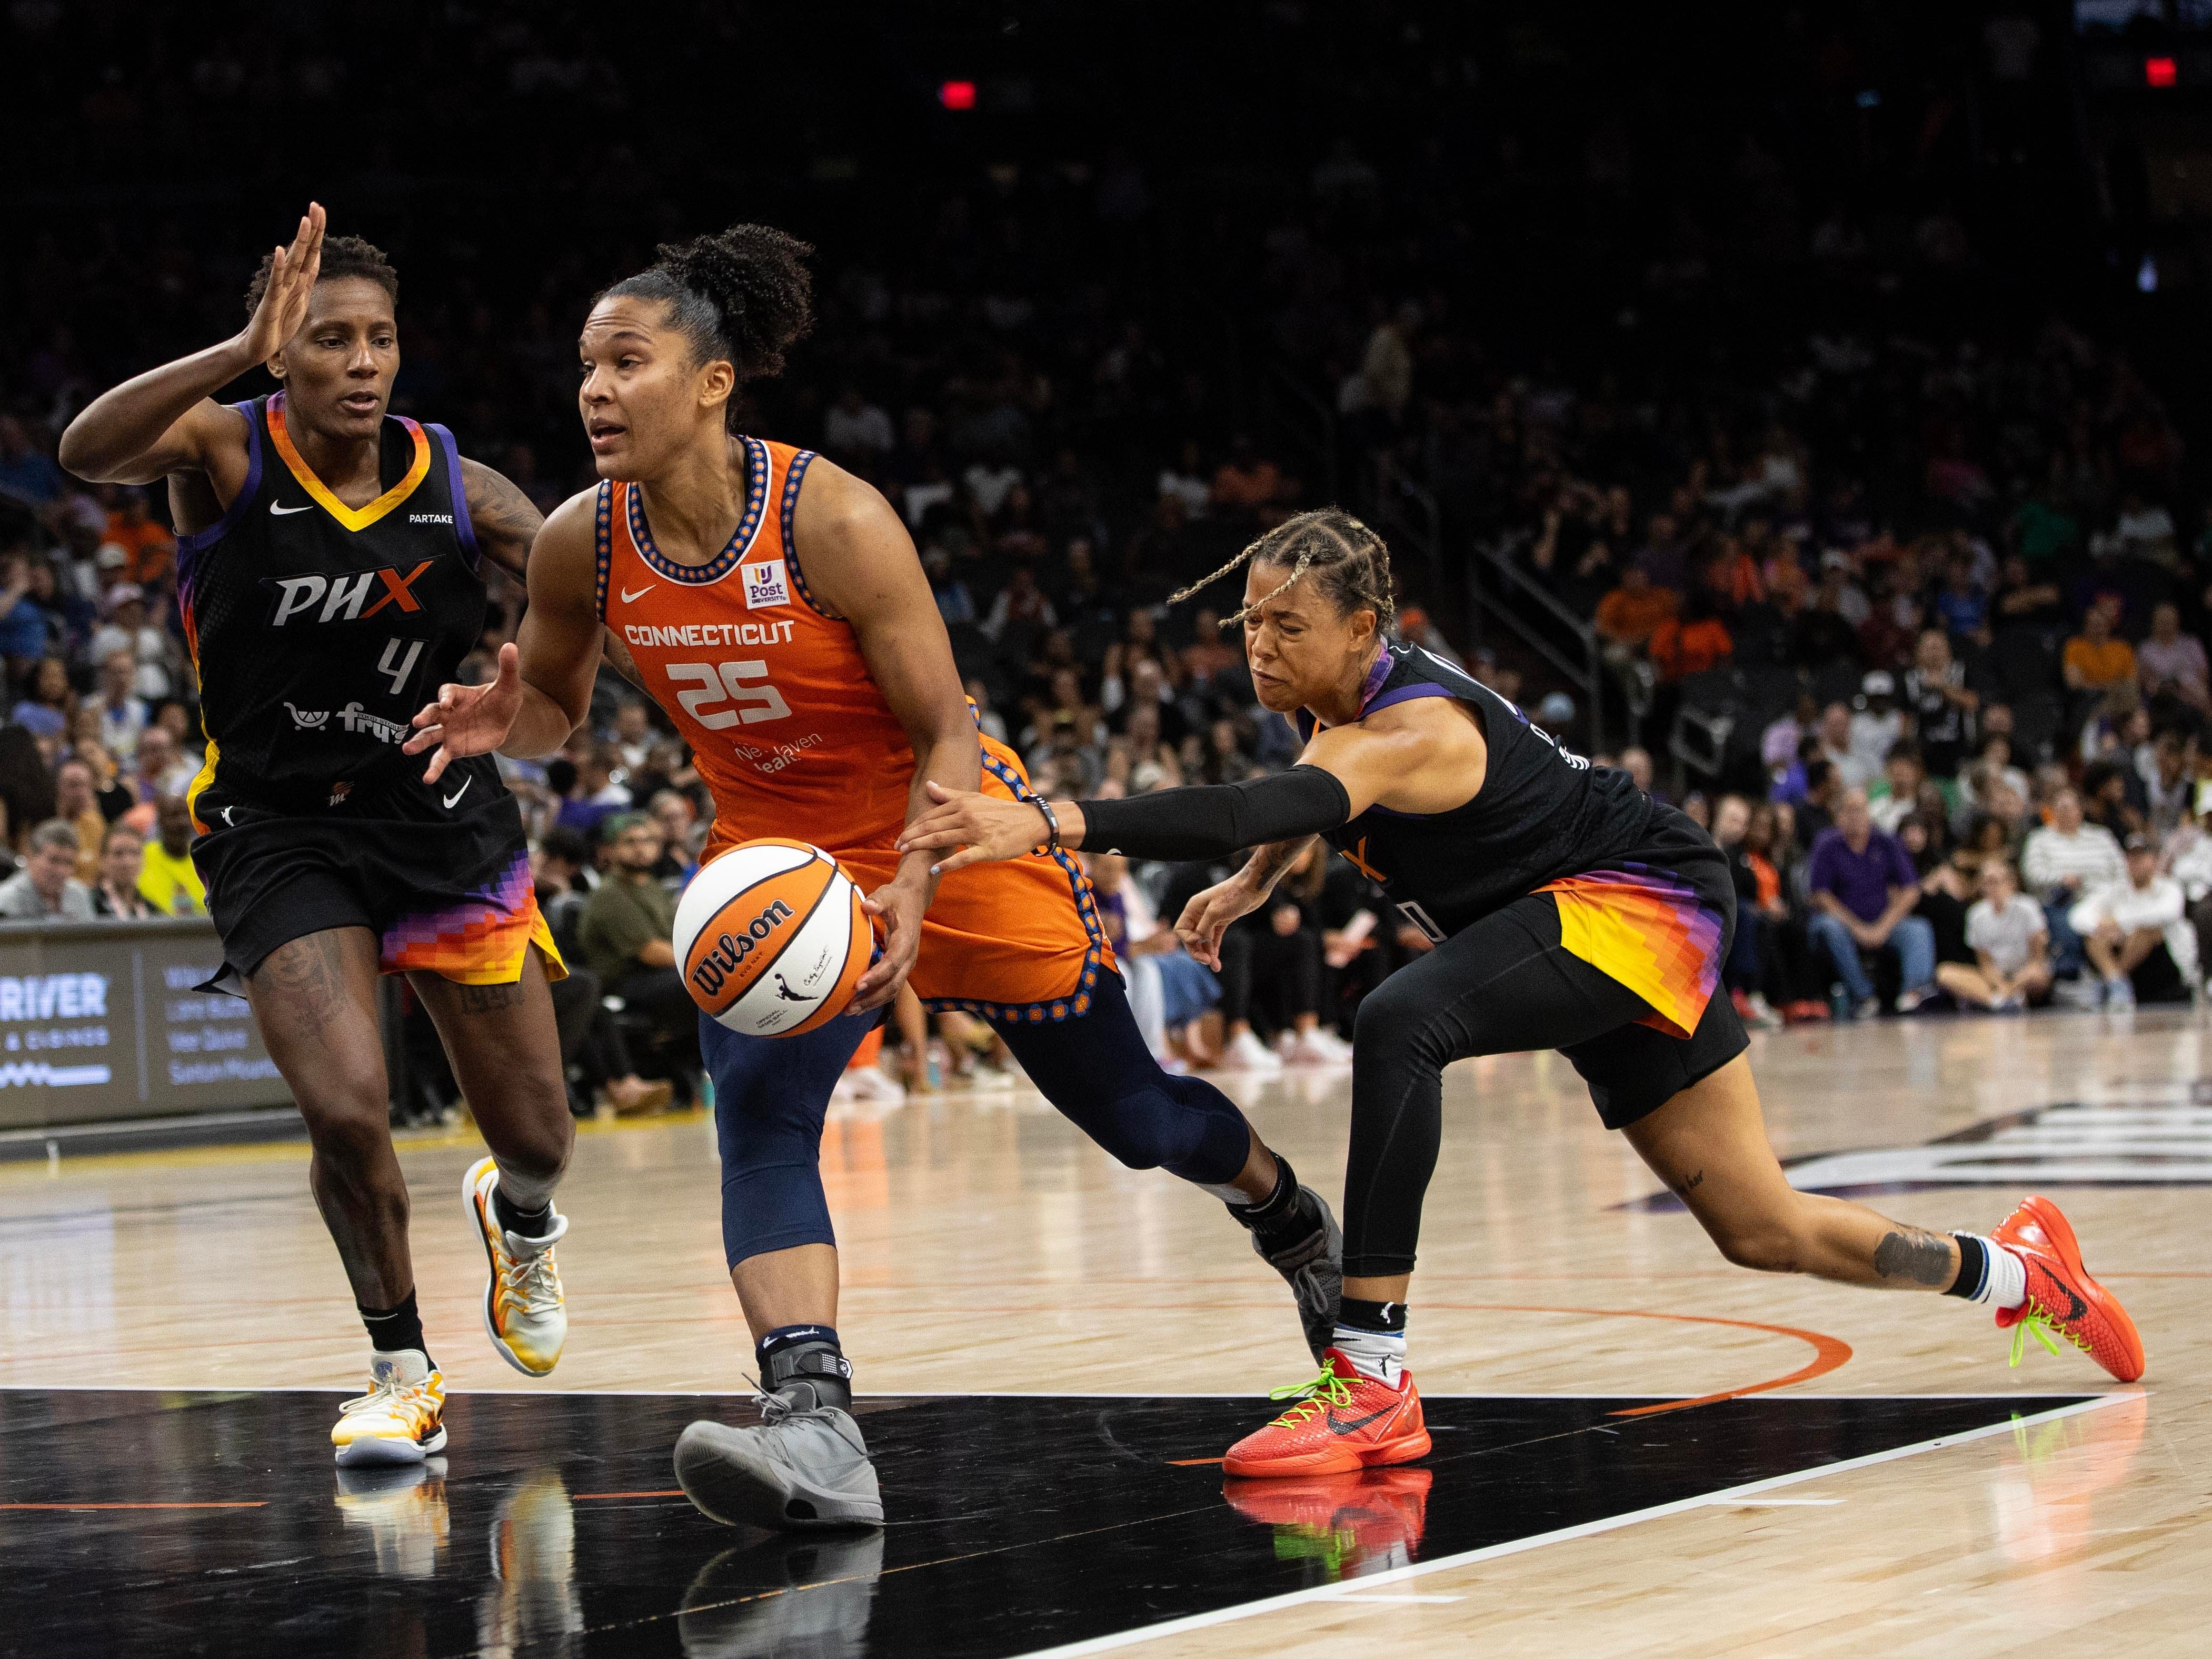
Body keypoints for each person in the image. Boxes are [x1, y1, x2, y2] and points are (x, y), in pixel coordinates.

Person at [404, 223, 1330, 1531]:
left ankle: (1285, 1211)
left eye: (628, 363)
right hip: (775, 866)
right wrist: (516, 727)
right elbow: (552, 702)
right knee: (763, 1124)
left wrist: (908, 880)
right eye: (585, 368)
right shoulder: (579, 541)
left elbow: (945, 724)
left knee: (1138, 1124)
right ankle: (816, 1426)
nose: (595, 392)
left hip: (953, 829)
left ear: (713, 381)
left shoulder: (829, 515)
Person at [902, 506, 2146, 1478]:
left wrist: (1046, 819)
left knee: (1400, 1018)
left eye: (1286, 625)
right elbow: (1295, 806)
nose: (1257, 644)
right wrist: (1249, 883)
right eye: (1246, 622)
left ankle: (1372, 1377)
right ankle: (2022, 1273)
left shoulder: (1410, 727)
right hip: (1585, 924)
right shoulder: (1337, 713)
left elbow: (1267, 798)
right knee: (1762, 1228)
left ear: (1361, 629)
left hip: (1640, 899)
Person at [58, 204, 577, 1467]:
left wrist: (540, 703)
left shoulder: (459, 480)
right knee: (347, 1111)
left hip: (442, 817)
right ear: (286, 351)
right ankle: (403, 1367)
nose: (360, 362)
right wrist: (236, 345)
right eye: (330, 338)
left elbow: (589, 570)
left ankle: (518, 1220)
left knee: (540, 1138)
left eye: (380, 340)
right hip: (278, 828)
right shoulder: (220, 453)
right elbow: (86, 451)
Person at [1806, 789, 1937, 1017]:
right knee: (1829, 927)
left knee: (1918, 929)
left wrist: (1882, 927)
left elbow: (1912, 891)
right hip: (1842, 922)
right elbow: (1821, 895)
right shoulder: (1827, 844)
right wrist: (1858, 929)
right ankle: (1863, 995)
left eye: (1862, 809)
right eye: (1851, 810)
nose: (1857, 816)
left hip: (1881, 922)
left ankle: (1913, 995)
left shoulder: (1886, 842)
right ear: (1839, 816)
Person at [2070, 834, 2199, 1009]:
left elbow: (2168, 913)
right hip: (2129, 962)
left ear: (2152, 860)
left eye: (2141, 858)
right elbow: (2077, 916)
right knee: (2095, 937)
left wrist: (2119, 924)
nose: (2135, 863)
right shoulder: (2117, 890)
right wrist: (2101, 926)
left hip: (2163, 965)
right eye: (2131, 859)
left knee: (2145, 931)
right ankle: (2117, 984)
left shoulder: (2169, 888)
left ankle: (2113, 980)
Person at [1938, 858, 2050, 1011]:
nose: (1991, 888)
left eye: (1995, 882)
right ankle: (1999, 1001)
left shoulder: (2028, 908)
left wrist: (2013, 984)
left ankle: (2001, 999)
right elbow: (1985, 962)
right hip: (1995, 978)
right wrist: (2000, 984)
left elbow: (2037, 959)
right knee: (1945, 973)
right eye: (1986, 883)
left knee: (2038, 976)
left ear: (2010, 882)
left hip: (2025, 974)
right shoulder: (1976, 914)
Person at [0, 819, 95, 921]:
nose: (61, 871)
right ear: (31, 858)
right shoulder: (6, 901)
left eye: (68, 863)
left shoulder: (79, 895)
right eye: (54, 860)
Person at [91, 823, 157, 919]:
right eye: (118, 853)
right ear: (102, 860)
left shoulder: (153, 910)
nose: (127, 862)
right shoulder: (90, 904)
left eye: (134, 853)